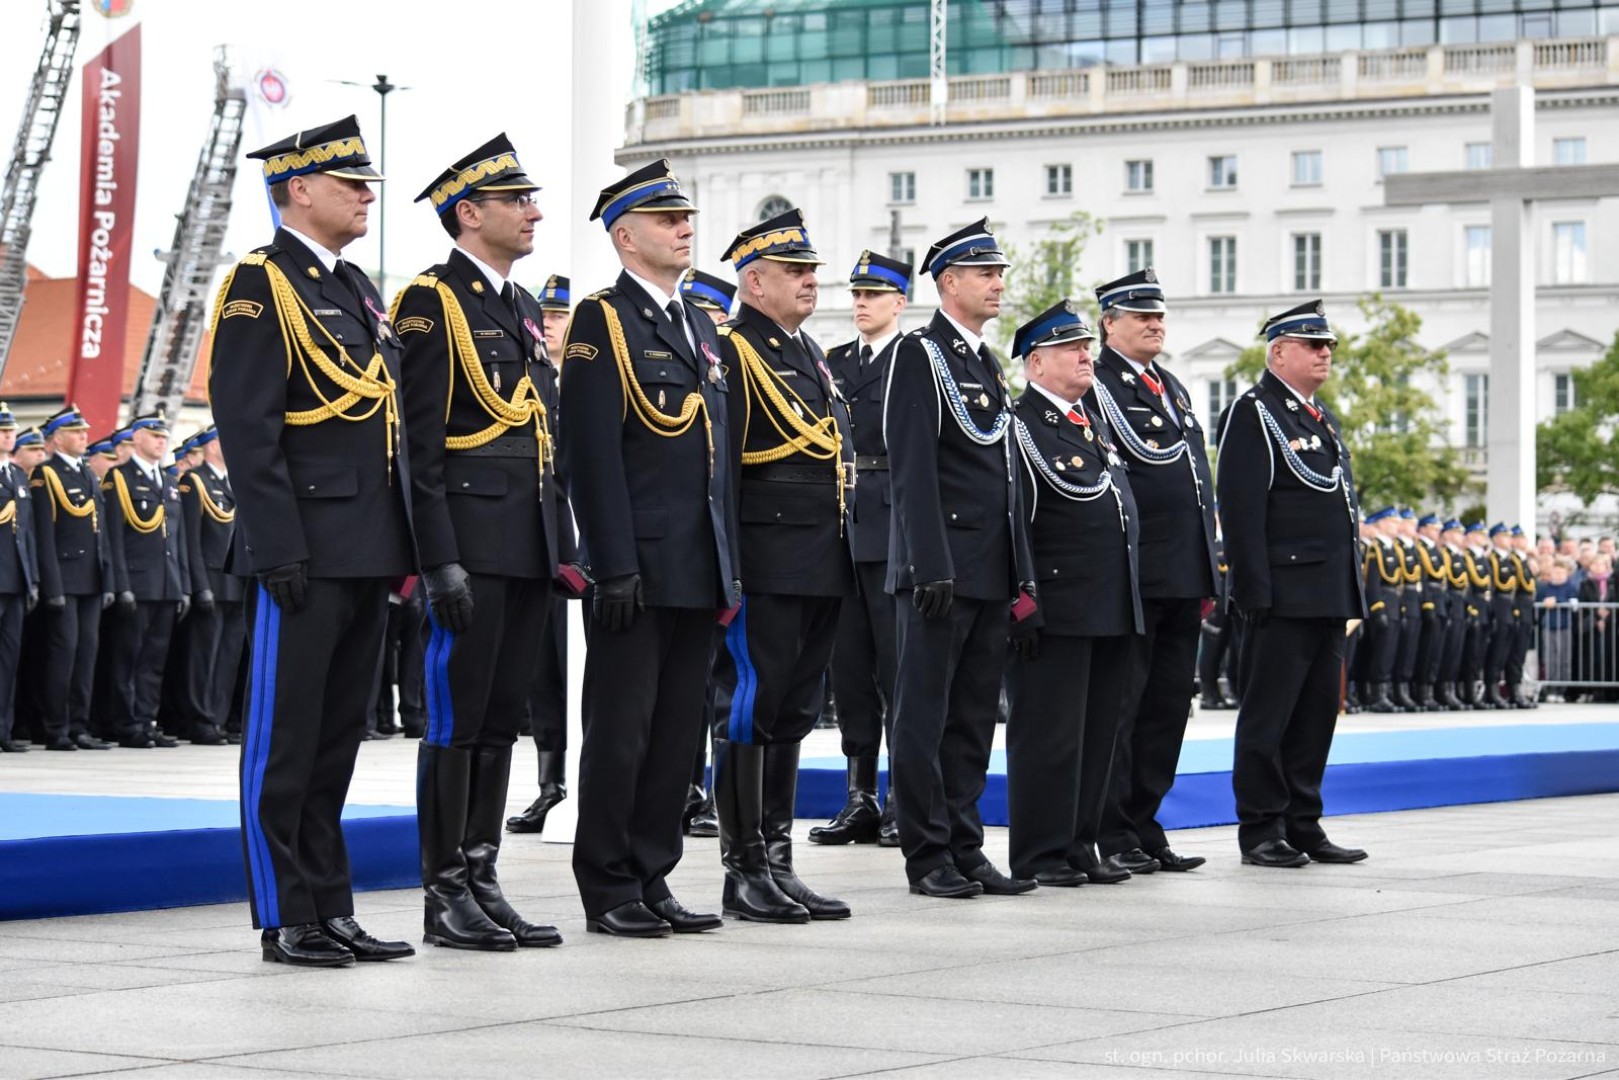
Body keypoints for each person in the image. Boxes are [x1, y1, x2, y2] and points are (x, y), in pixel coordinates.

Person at [208, 115, 416, 967]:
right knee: (286, 740)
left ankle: (330, 903)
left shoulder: (356, 285)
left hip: (364, 545)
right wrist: (276, 547)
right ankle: (282, 910)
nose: (366, 195)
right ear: (298, 188)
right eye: (348, 183)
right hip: (301, 548)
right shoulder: (260, 284)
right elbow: (248, 429)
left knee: (337, 740)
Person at [393, 134, 576, 951]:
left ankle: (481, 872)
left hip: (525, 544)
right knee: (457, 722)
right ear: (470, 213)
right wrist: (437, 560)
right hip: (469, 542)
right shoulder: (432, 302)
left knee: (503, 721)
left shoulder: (519, 306)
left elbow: (542, 437)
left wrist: (559, 544)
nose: (534, 212)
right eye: (516, 200)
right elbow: (418, 445)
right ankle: (443, 892)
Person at [559, 159, 736, 938]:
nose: (684, 228)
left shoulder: (698, 323)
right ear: (626, 237)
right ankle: (607, 883)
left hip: (697, 563)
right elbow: (591, 452)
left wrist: (729, 564)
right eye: (667, 220)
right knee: (622, 730)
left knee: (675, 735)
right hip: (638, 563)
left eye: (685, 217)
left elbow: (715, 457)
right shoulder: (603, 320)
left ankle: (652, 871)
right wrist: (611, 562)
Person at [709, 208, 855, 923]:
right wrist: (727, 569)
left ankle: (778, 857)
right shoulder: (732, 350)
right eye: (793, 272)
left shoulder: (809, 353)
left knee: (793, 713)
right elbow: (723, 470)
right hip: (763, 559)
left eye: (809, 272)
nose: (808, 282)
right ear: (752, 281)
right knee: (749, 710)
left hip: (818, 557)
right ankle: (743, 870)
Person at [885, 218, 1035, 899]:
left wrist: (1018, 570)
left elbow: (1002, 475)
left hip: (987, 567)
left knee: (973, 717)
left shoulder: (983, 363)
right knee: (924, 716)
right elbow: (912, 468)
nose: (998, 284)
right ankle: (926, 854)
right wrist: (929, 563)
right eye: (985, 274)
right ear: (949, 283)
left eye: (998, 273)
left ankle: (965, 844)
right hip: (940, 571)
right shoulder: (920, 354)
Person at [1216, 299, 1366, 868]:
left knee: (1314, 718)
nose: (1325, 354)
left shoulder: (1316, 415)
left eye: (1327, 345)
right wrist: (1252, 592)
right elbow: (1242, 508)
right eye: (1313, 345)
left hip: (1326, 593)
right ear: (1279, 352)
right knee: (1268, 718)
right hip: (1280, 594)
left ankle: (1303, 822)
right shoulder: (1254, 412)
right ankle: (1261, 828)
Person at [1084, 268, 1220, 876]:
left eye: (1159, 315)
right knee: (1126, 708)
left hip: (1183, 573)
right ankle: (1112, 830)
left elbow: (1197, 482)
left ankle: (1145, 821)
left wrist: (1211, 569)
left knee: (1167, 708)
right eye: (1141, 315)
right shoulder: (1096, 386)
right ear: (1109, 323)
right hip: (1137, 576)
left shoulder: (1171, 386)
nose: (1154, 324)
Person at [1004, 301, 1145, 886]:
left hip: (1107, 604)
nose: (1086, 356)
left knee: (1095, 735)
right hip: (1057, 608)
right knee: (1049, 737)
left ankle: (1080, 843)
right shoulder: (1022, 424)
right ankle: (1041, 851)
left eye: (1086, 346)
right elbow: (1012, 522)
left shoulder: (1090, 424)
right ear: (1036, 365)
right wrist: (1022, 601)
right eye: (1070, 349)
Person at [813, 249, 911, 849]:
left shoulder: (914, 359)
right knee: (848, 671)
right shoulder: (833, 362)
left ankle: (903, 794)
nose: (861, 304)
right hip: (843, 525)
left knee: (898, 669)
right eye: (855, 295)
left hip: (893, 521)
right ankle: (860, 794)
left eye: (873, 295)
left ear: (899, 301)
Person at [508, 271, 573, 837]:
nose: (548, 324)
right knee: (544, 672)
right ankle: (551, 783)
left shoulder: (590, 374)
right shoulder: (526, 376)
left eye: (559, 316)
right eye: (544, 315)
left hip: (585, 542)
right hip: (540, 539)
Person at [675, 265, 738, 841]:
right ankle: (687, 789)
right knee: (686, 691)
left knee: (726, 685)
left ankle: (717, 793)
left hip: (728, 552)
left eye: (712, 316)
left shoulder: (731, 369)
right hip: (690, 548)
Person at [101, 411, 190, 749]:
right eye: (154, 436)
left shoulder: (167, 481)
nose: (161, 441)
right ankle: (125, 723)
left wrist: (180, 585)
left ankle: (146, 720)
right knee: (128, 657)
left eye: (164, 436)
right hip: (137, 584)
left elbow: (176, 538)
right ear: (136, 438)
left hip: (165, 584)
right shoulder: (119, 478)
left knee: (154, 660)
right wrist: (121, 584)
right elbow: (114, 537)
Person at [31, 405, 115, 753]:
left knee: (86, 656)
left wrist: (108, 579)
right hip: (65, 578)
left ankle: (79, 725)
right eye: (77, 432)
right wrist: (52, 586)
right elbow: (44, 537)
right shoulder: (45, 474)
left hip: (92, 578)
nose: (85, 437)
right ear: (57, 439)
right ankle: (56, 727)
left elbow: (101, 533)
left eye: (84, 432)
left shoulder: (85, 472)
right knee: (63, 655)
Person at [176, 426, 241, 746]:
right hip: (211, 582)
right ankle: (200, 719)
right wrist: (198, 585)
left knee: (227, 656)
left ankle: (218, 717)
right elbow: (190, 541)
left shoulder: (234, 481)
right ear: (212, 445)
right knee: (204, 656)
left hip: (235, 583)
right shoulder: (195, 481)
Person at [0, 404, 39, 753]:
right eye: (2, 430)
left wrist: (33, 580)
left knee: (8, 660)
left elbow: (25, 534)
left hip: (14, 580)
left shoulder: (17, 477)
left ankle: (3, 730)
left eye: (11, 431)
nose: (8, 435)